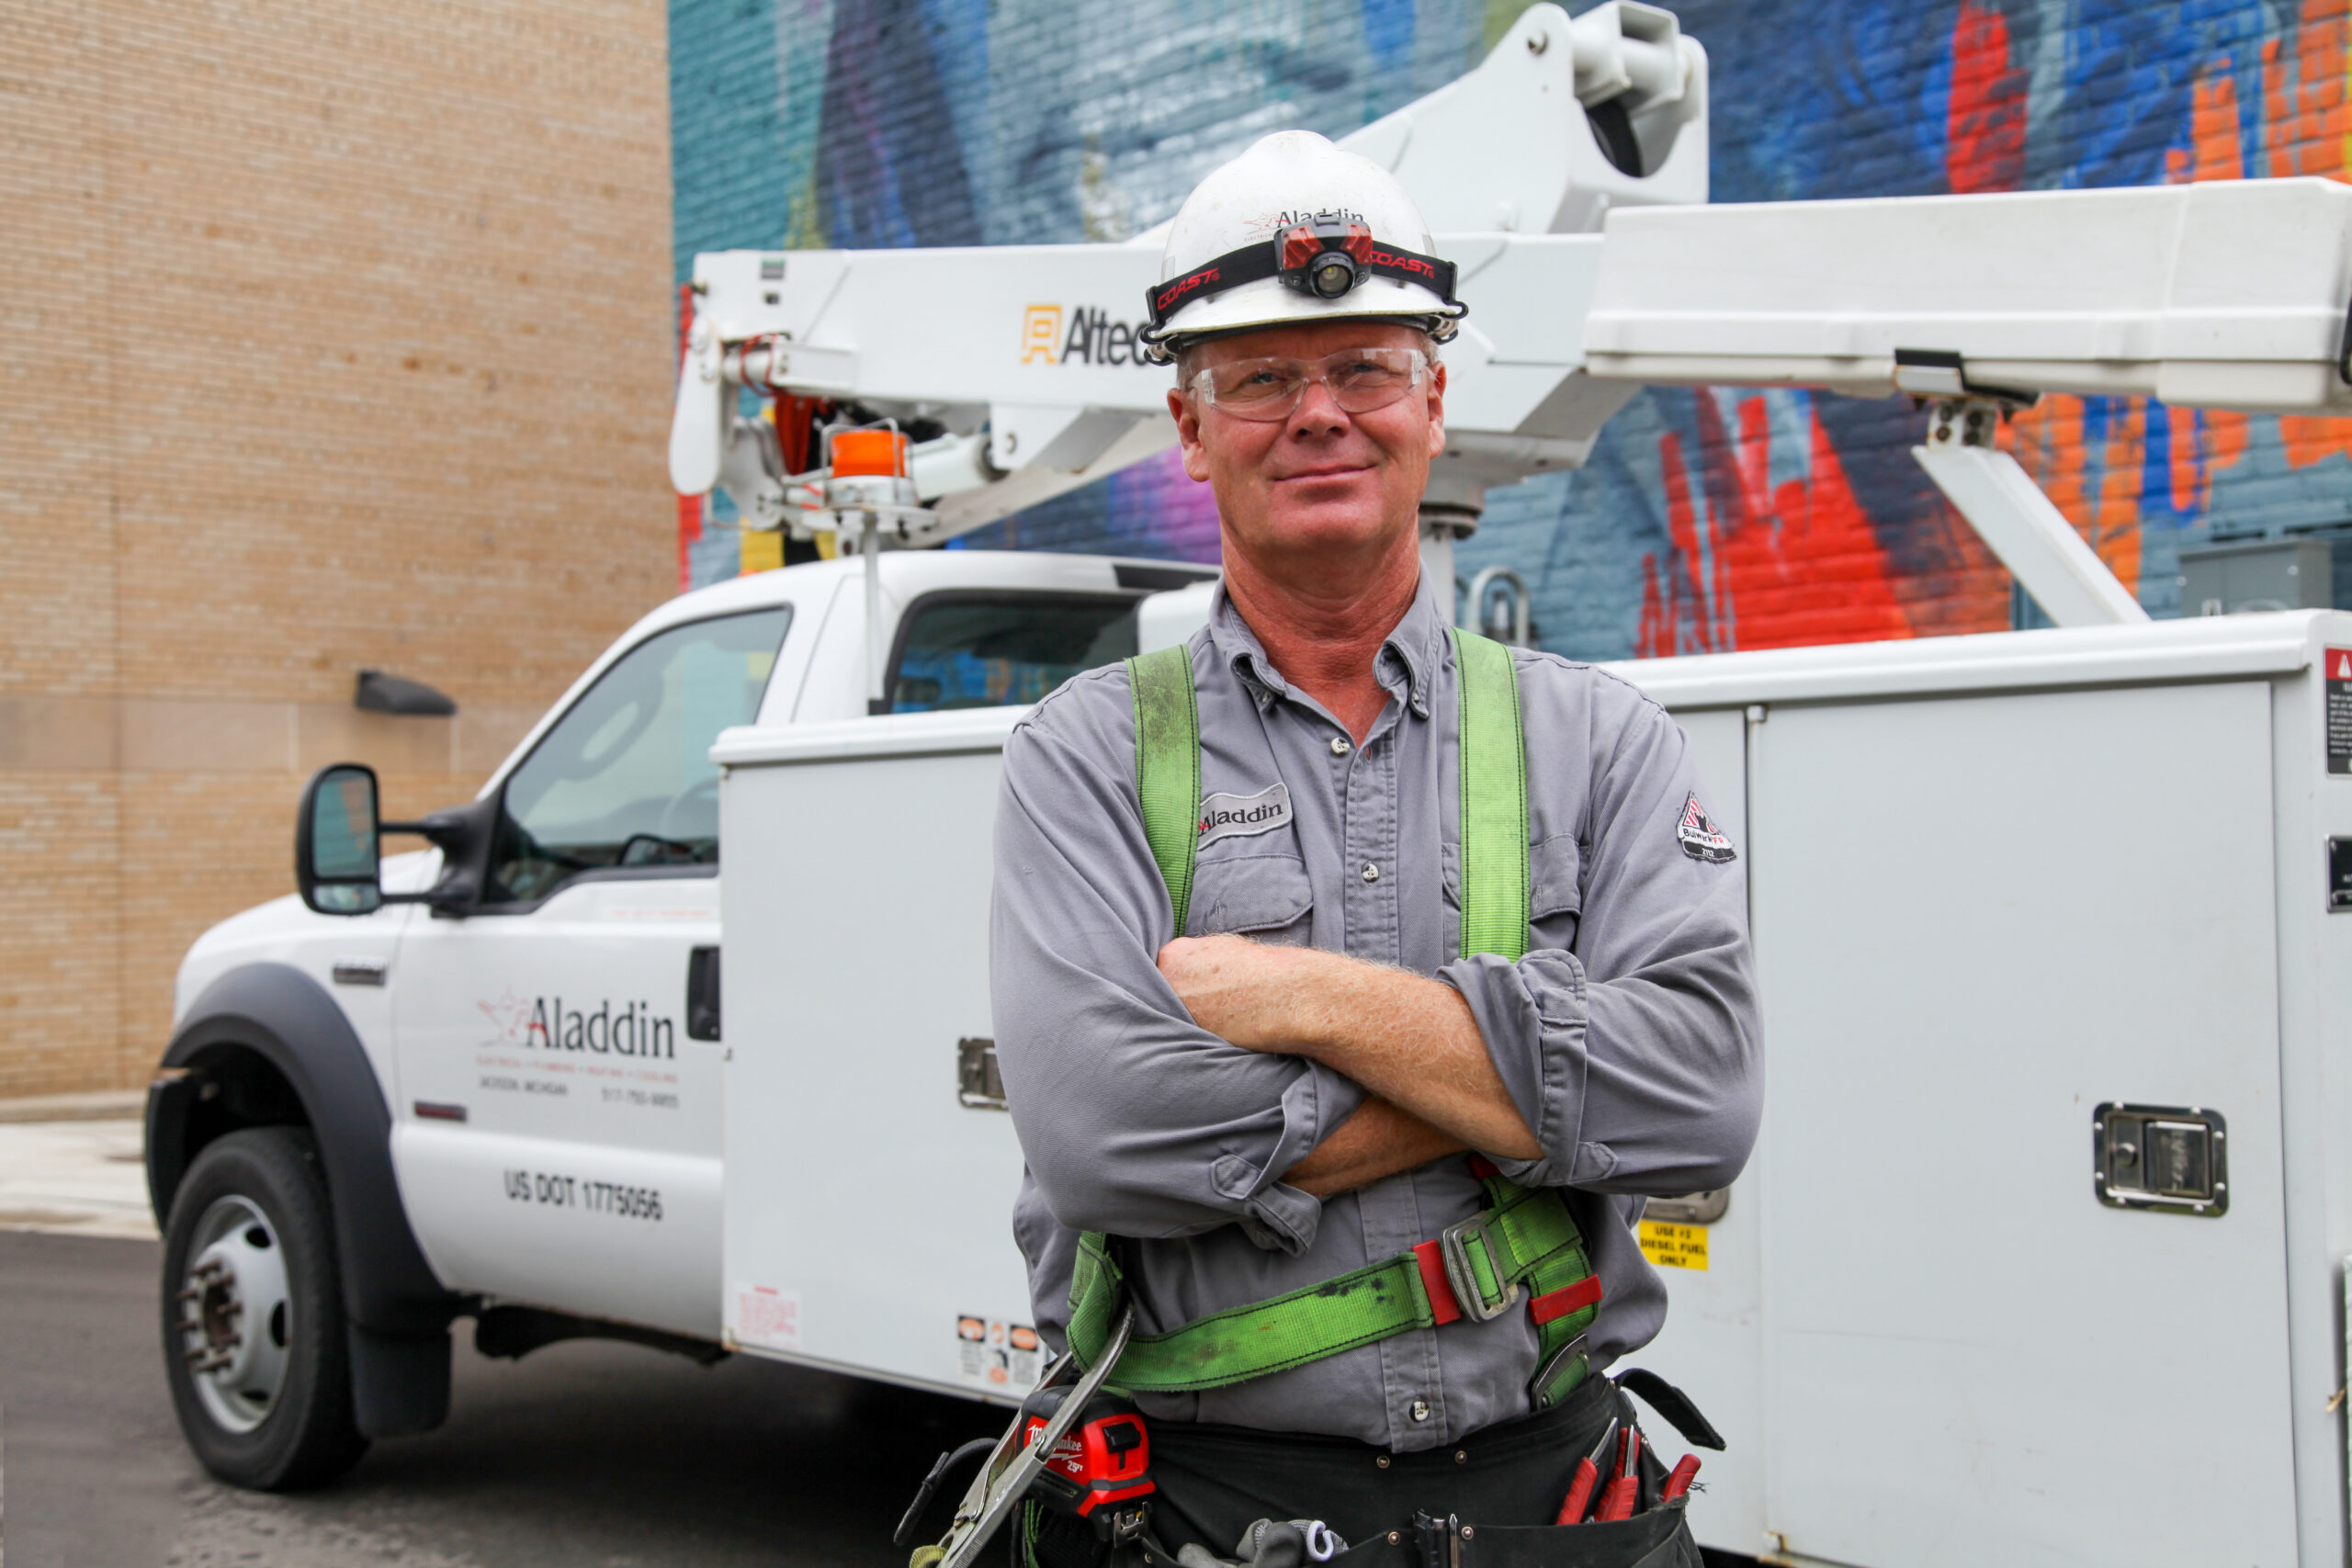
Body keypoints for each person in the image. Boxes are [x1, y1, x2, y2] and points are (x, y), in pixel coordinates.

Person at [989, 130, 1760, 1564]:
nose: (1320, 415)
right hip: (1197, 1508)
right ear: (1190, 428)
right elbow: (1106, 1138)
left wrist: (1304, 1001)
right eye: (1261, 379)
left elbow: (1704, 1096)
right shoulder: (1084, 757)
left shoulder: (1599, 739)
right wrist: (1525, 1092)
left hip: (1553, 1503)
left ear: (1433, 402)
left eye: (1364, 369)